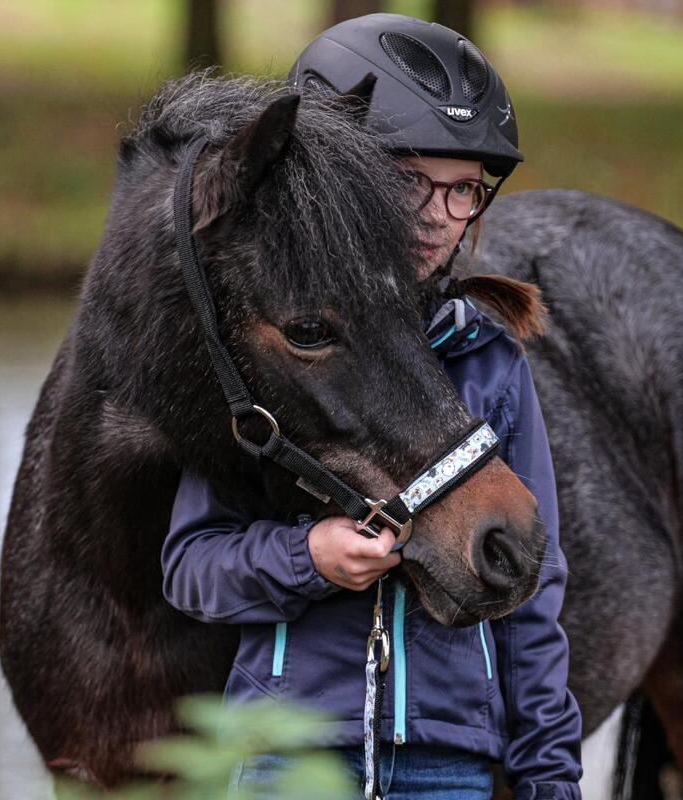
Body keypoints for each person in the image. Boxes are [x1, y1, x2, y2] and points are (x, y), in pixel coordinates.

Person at [162, 13, 583, 800]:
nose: (437, 215)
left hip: (445, 755)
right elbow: (192, 568)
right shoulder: (272, 361)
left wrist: (549, 780)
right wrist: (308, 558)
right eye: (407, 181)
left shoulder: (490, 360)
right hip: (290, 751)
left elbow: (536, 601)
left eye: (464, 190)